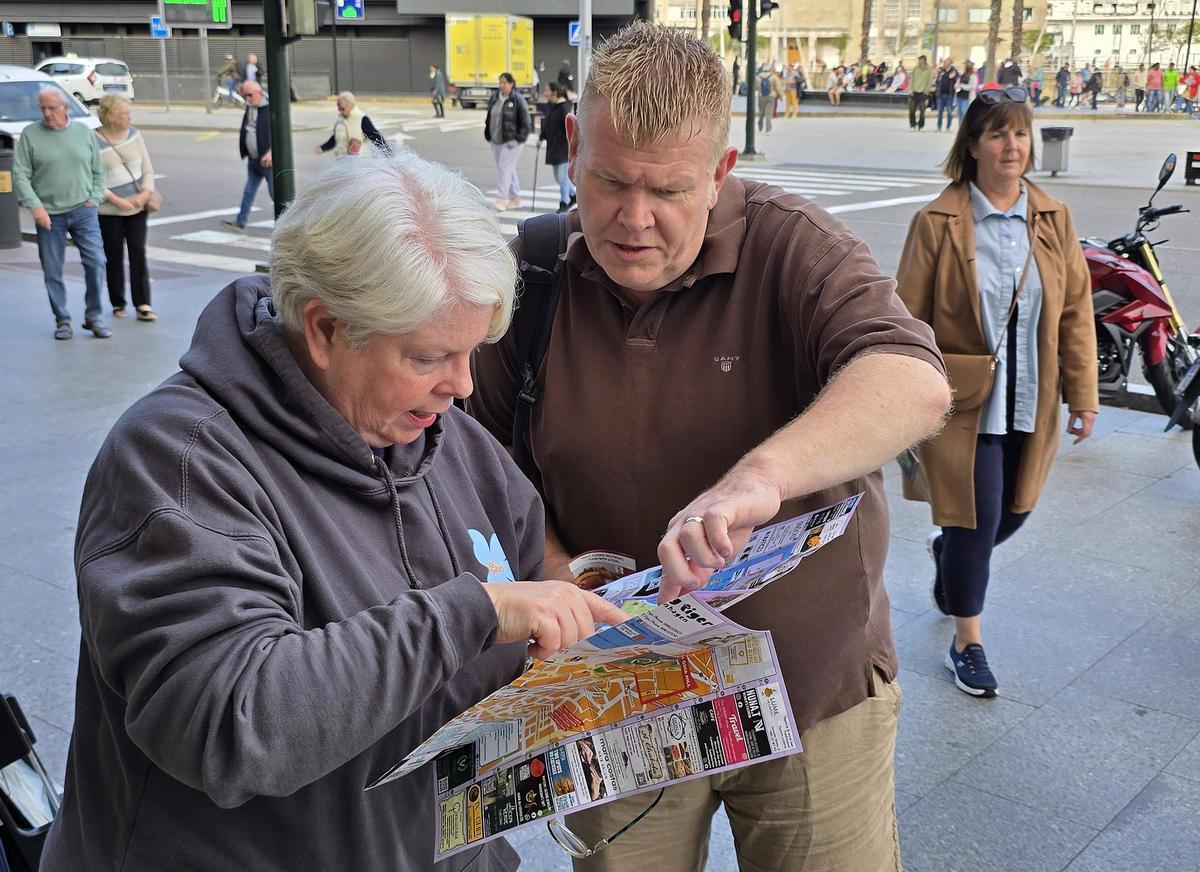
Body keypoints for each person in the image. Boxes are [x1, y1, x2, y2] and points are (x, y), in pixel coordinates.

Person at [38, 153, 629, 871]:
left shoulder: (452, 443)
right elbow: (231, 724)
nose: (463, 385)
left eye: (472, 352)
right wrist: (471, 613)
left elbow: (526, 585)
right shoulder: (179, 459)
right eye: (428, 356)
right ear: (323, 328)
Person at [469, 23, 950, 871]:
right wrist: (551, 574)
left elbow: (912, 378)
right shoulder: (534, 273)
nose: (633, 219)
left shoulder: (793, 245)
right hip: (621, 688)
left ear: (720, 174)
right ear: (573, 146)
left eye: (670, 191)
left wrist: (761, 478)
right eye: (610, 181)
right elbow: (473, 466)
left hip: (809, 690)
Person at [895, 85, 1098, 699]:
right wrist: (904, 398)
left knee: (1015, 511)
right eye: (997, 134)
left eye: (1020, 133)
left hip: (1030, 396)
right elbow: (909, 315)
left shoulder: (1053, 217)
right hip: (963, 404)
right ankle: (968, 641)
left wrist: (1083, 395)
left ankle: (948, 555)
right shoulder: (939, 221)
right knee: (977, 521)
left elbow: (1075, 312)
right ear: (974, 146)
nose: (1012, 145)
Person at [13, 87, 111, 340]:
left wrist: (95, 197)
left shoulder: (82, 132)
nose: (46, 113)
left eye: (52, 108)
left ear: (65, 107)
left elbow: (99, 170)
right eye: (42, 108)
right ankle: (62, 319)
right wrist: (35, 206)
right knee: (52, 270)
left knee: (96, 262)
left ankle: (94, 316)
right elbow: (21, 174)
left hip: (83, 210)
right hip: (49, 214)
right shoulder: (30, 135)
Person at [95, 94, 156, 322]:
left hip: (138, 206)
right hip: (109, 210)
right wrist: (117, 201)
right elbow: (93, 179)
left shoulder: (135, 135)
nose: (130, 117)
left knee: (138, 252)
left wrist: (145, 194)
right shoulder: (94, 140)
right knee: (114, 255)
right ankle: (118, 303)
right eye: (124, 113)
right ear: (110, 117)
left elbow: (148, 168)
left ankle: (143, 303)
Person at [222, 81, 272, 232]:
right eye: (245, 96)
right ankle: (240, 221)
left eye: (249, 95)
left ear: (259, 92)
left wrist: (271, 152)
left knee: (276, 194)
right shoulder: (251, 108)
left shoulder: (269, 108)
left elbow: (279, 134)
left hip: (268, 161)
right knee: (249, 190)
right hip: (254, 159)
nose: (247, 98)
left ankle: (292, 225)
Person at [482, 72, 531, 211]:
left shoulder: (517, 99)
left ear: (511, 84)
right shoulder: (495, 98)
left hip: (511, 141)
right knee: (507, 169)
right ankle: (515, 198)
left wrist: (520, 138)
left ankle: (502, 199)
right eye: (500, 82)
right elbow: (489, 117)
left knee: (505, 169)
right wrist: (488, 134)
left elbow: (526, 121)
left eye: (505, 82)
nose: (502, 85)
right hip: (496, 140)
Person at [315, 91, 388, 157]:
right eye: (339, 108)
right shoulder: (341, 119)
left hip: (358, 164)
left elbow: (377, 138)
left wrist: (389, 156)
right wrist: (323, 148)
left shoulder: (362, 119)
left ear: (350, 105)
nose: (340, 111)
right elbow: (335, 137)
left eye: (342, 108)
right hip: (341, 162)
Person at [540, 81, 575, 212]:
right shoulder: (550, 106)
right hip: (553, 147)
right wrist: (541, 136)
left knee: (562, 177)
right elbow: (547, 124)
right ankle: (573, 195)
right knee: (558, 177)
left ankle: (564, 203)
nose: (545, 93)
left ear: (554, 92)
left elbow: (569, 127)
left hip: (563, 147)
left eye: (547, 90)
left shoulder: (564, 108)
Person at [756, 63, 783, 134]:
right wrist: (780, 96)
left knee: (761, 113)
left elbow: (754, 87)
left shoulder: (757, 77)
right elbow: (778, 88)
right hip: (771, 96)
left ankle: (760, 129)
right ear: (769, 69)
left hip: (761, 96)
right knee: (769, 113)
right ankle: (767, 130)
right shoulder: (773, 77)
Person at [936, 58, 959, 131]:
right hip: (940, 95)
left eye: (946, 63)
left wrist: (954, 77)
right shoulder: (941, 71)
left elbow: (958, 79)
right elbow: (937, 81)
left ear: (949, 64)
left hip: (949, 95)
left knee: (949, 112)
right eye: (944, 63)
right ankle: (939, 127)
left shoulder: (954, 71)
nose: (945, 64)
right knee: (940, 112)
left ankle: (948, 127)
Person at [909, 54, 932, 130]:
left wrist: (926, 91)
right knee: (912, 110)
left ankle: (921, 125)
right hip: (914, 92)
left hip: (923, 92)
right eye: (919, 60)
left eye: (920, 59)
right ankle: (912, 125)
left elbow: (929, 81)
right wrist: (911, 89)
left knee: (922, 111)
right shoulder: (915, 69)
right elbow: (912, 79)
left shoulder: (928, 70)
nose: (919, 61)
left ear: (924, 60)